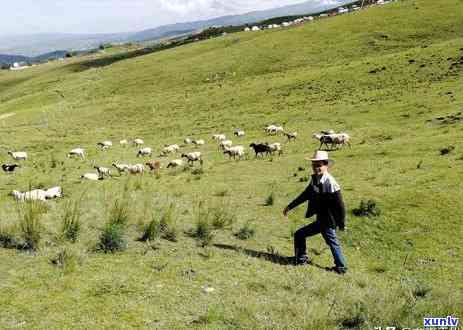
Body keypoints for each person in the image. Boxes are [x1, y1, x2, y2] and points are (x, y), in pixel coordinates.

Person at [283, 150, 348, 274]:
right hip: (321, 218)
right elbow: (306, 194)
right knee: (328, 241)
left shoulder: (330, 182)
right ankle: (302, 259)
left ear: (326, 165)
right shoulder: (315, 179)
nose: (316, 168)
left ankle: (341, 267)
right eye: (314, 165)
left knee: (303, 235)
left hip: (328, 220)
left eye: (319, 165)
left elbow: (340, 205)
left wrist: (341, 223)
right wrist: (290, 206)